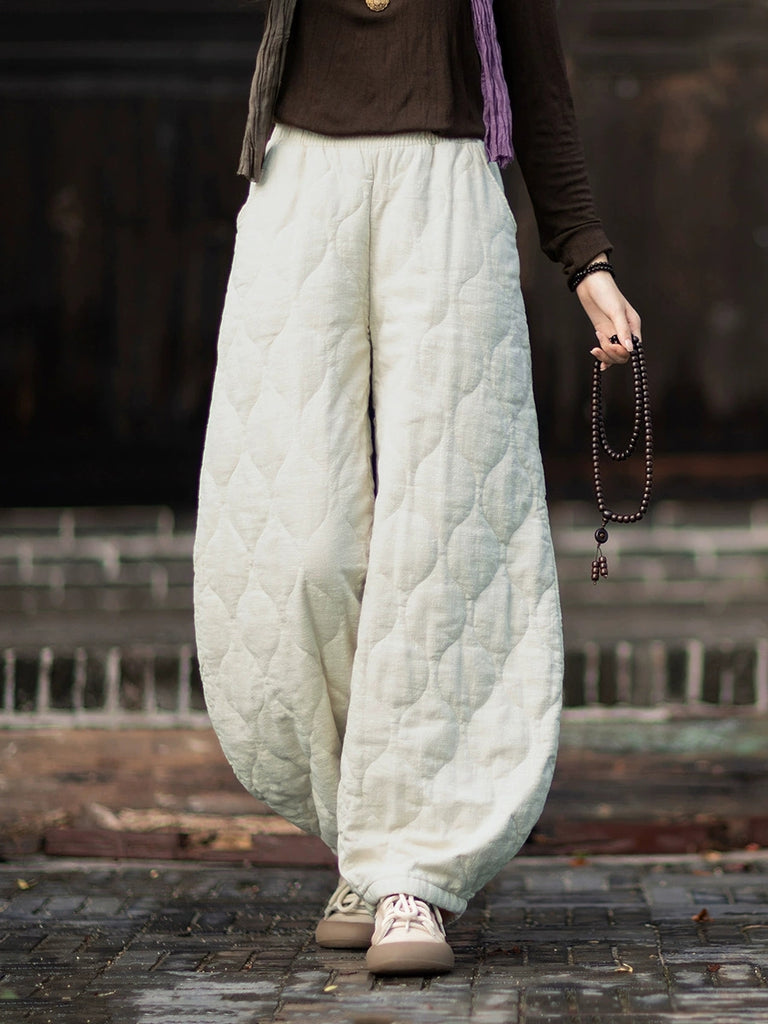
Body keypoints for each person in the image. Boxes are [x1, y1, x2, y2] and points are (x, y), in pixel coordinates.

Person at [193, 0, 640, 976]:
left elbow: (539, 83)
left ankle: (412, 871)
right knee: (302, 547)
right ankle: (365, 831)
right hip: (299, 186)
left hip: (447, 191)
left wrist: (586, 258)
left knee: (444, 539)